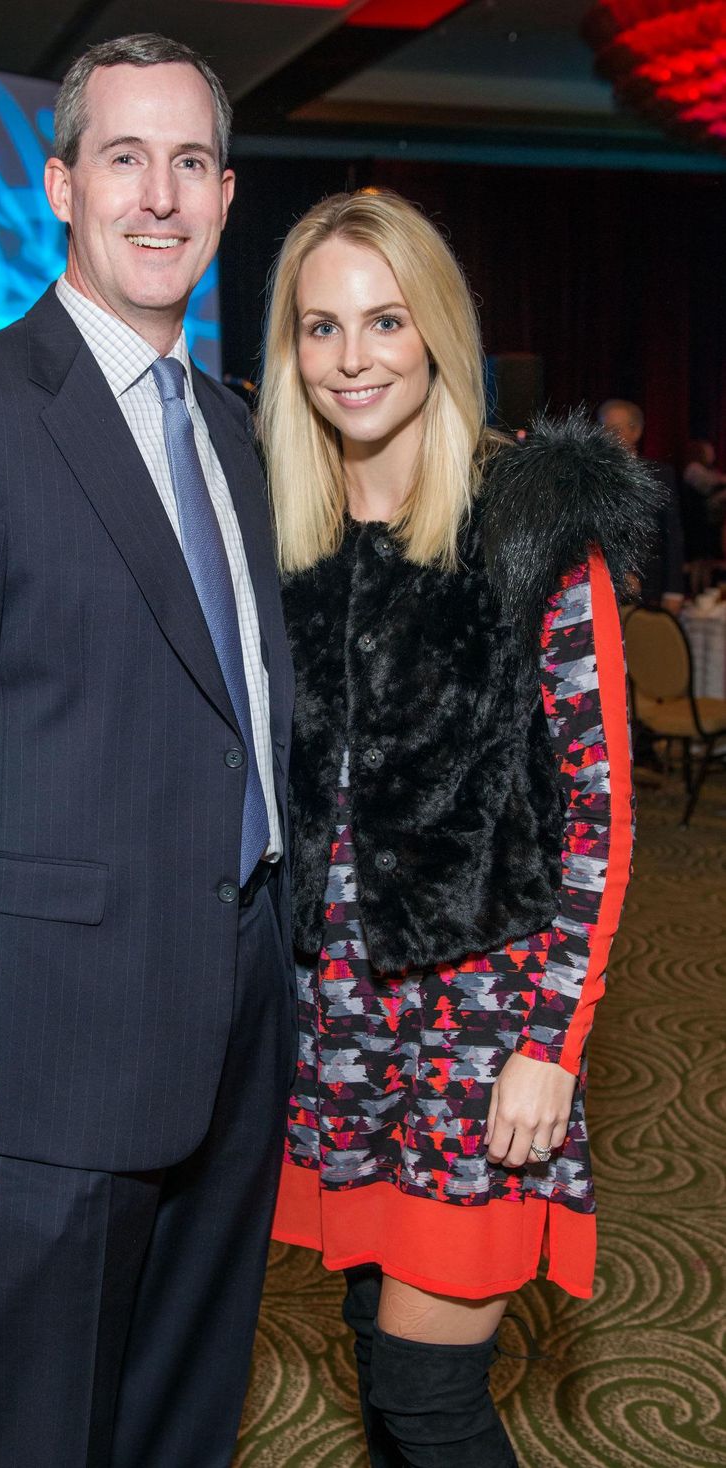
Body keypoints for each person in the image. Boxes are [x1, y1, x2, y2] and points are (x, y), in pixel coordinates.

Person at [0, 34, 295, 1468]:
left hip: (236, 1011)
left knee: (182, 1412)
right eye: (123, 158)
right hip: (51, 1044)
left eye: (190, 163)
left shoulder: (230, 430)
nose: (158, 196)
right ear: (59, 186)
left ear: (226, 195)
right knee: (40, 1429)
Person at [259, 190, 659, 1467]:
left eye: (383, 319)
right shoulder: (279, 531)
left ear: (435, 328)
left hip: (480, 1040)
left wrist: (551, 1042)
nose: (352, 356)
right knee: (379, 1361)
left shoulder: (527, 522)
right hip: (332, 1035)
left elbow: (597, 811)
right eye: (320, 328)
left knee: (430, 1403)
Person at [596, 398, 684, 609]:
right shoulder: (593, 478)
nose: (609, 436)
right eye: (604, 428)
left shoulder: (659, 476)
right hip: (603, 589)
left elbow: (672, 535)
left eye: (615, 429)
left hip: (650, 589)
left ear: (635, 432)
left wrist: (675, 591)